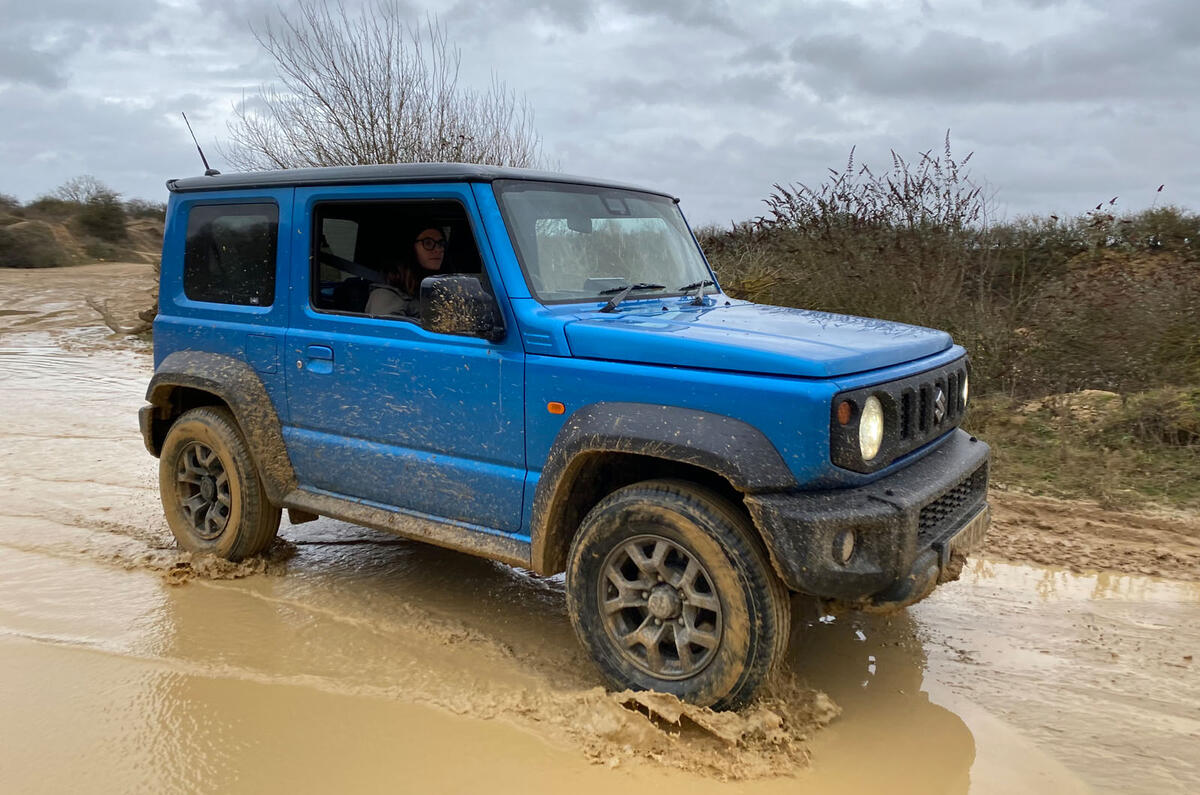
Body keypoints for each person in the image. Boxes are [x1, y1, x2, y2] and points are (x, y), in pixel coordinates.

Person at [365, 224, 447, 317]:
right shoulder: (386, 295)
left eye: (441, 243)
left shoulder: (435, 288)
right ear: (409, 248)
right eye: (428, 243)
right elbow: (384, 330)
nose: (438, 249)